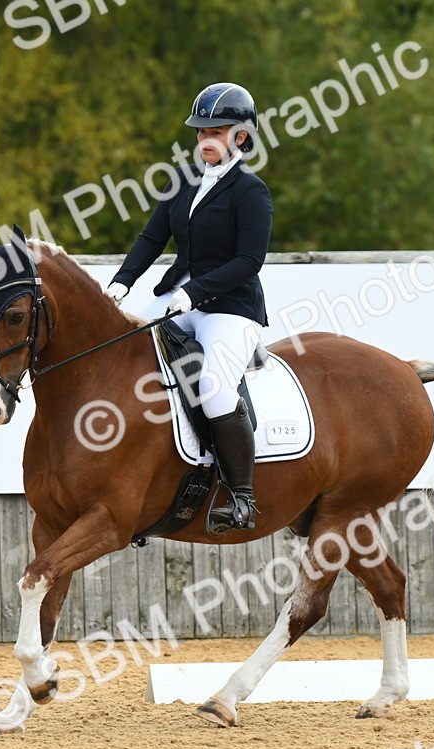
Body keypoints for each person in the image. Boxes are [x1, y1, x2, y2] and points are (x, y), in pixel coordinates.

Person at [106, 82, 273, 534]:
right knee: (122, 350)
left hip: (231, 308)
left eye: (215, 132)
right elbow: (151, 238)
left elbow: (248, 261)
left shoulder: (250, 191)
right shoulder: (182, 180)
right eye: (200, 133)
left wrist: (194, 293)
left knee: (216, 388)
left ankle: (242, 497)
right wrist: (120, 284)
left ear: (241, 135)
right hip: (176, 294)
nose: (205, 141)